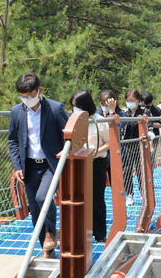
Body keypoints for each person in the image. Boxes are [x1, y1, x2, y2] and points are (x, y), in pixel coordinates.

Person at [8, 72, 68, 259]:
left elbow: (68, 136)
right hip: (29, 166)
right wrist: (17, 166)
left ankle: (51, 231)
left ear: (39, 91)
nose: (26, 100)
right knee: (34, 210)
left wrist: (64, 153)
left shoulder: (55, 108)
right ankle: (48, 250)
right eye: (22, 97)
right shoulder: (16, 112)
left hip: (50, 165)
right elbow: (13, 141)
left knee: (43, 198)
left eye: (30, 96)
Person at [69, 90, 110, 243]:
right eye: (73, 106)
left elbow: (109, 142)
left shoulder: (99, 120)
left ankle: (100, 234)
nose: (75, 109)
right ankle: (82, 232)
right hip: (78, 162)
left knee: (97, 198)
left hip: (96, 162)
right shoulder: (73, 120)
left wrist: (95, 152)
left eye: (77, 106)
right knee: (79, 197)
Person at [121, 89, 145, 206]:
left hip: (140, 144)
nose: (130, 102)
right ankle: (129, 194)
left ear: (138, 100)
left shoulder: (144, 111)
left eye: (132, 100)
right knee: (127, 170)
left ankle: (142, 192)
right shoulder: (123, 112)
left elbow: (149, 126)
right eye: (128, 100)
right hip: (126, 145)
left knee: (141, 169)